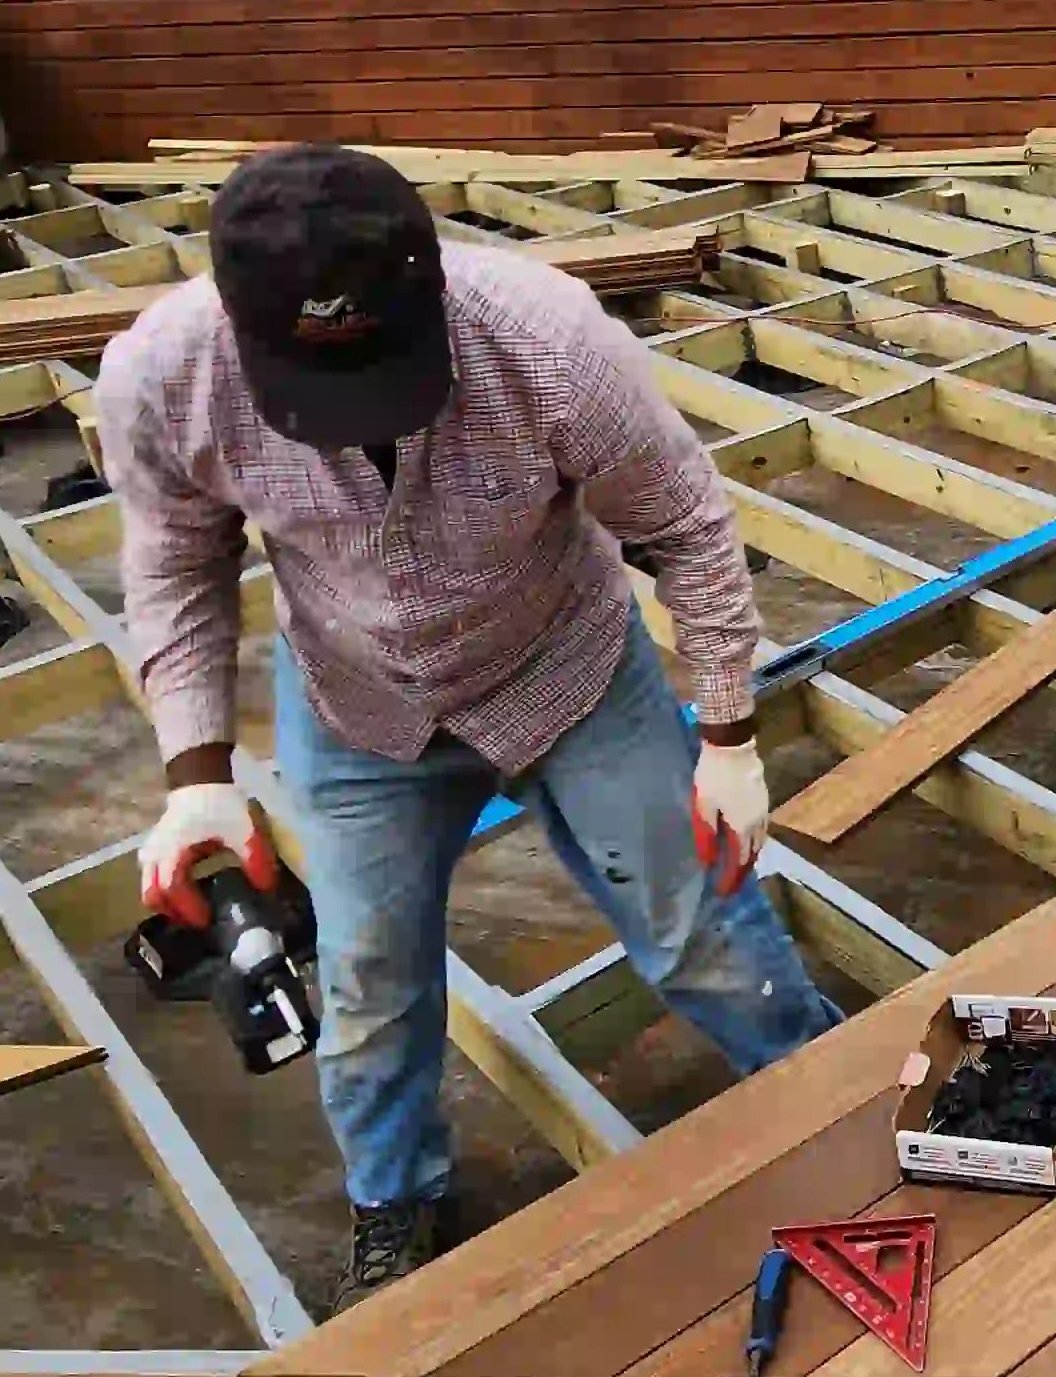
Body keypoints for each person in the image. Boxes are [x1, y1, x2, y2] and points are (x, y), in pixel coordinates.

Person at [97, 143, 837, 1310]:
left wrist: (731, 733)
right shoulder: (163, 377)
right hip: (356, 703)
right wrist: (196, 772)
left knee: (698, 923)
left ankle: (826, 1093)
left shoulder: (549, 343)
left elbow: (688, 525)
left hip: (565, 666)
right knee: (370, 984)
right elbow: (174, 564)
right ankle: (395, 1197)